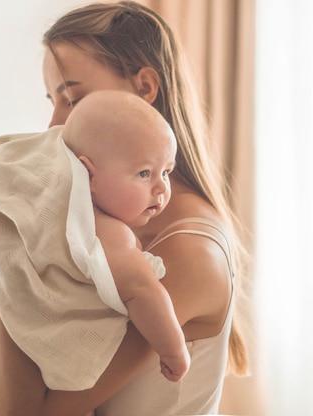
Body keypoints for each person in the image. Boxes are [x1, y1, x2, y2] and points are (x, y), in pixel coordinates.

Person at [0, 2, 249, 415]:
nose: (55, 125)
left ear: (145, 88)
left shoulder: (188, 251)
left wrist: (16, 256)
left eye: (72, 99)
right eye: (52, 101)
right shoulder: (93, 221)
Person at [63, 90, 188, 382]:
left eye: (166, 172)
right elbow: (142, 292)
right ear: (88, 175)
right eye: (144, 173)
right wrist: (173, 350)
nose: (161, 188)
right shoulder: (110, 232)